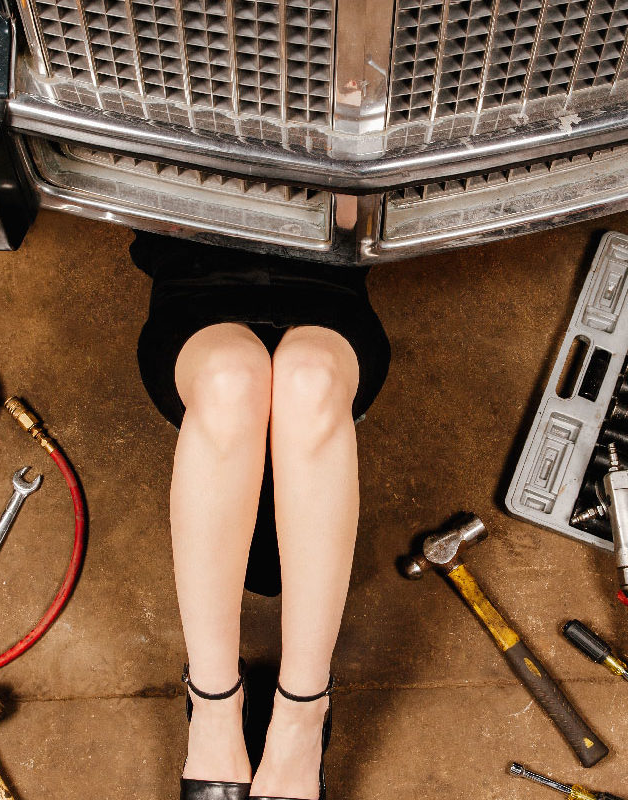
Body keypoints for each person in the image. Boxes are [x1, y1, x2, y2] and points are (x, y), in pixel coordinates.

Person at [131, 233, 391, 800]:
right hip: (197, 270)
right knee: (229, 380)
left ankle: (303, 711)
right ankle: (214, 704)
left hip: (324, 271)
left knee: (310, 379)